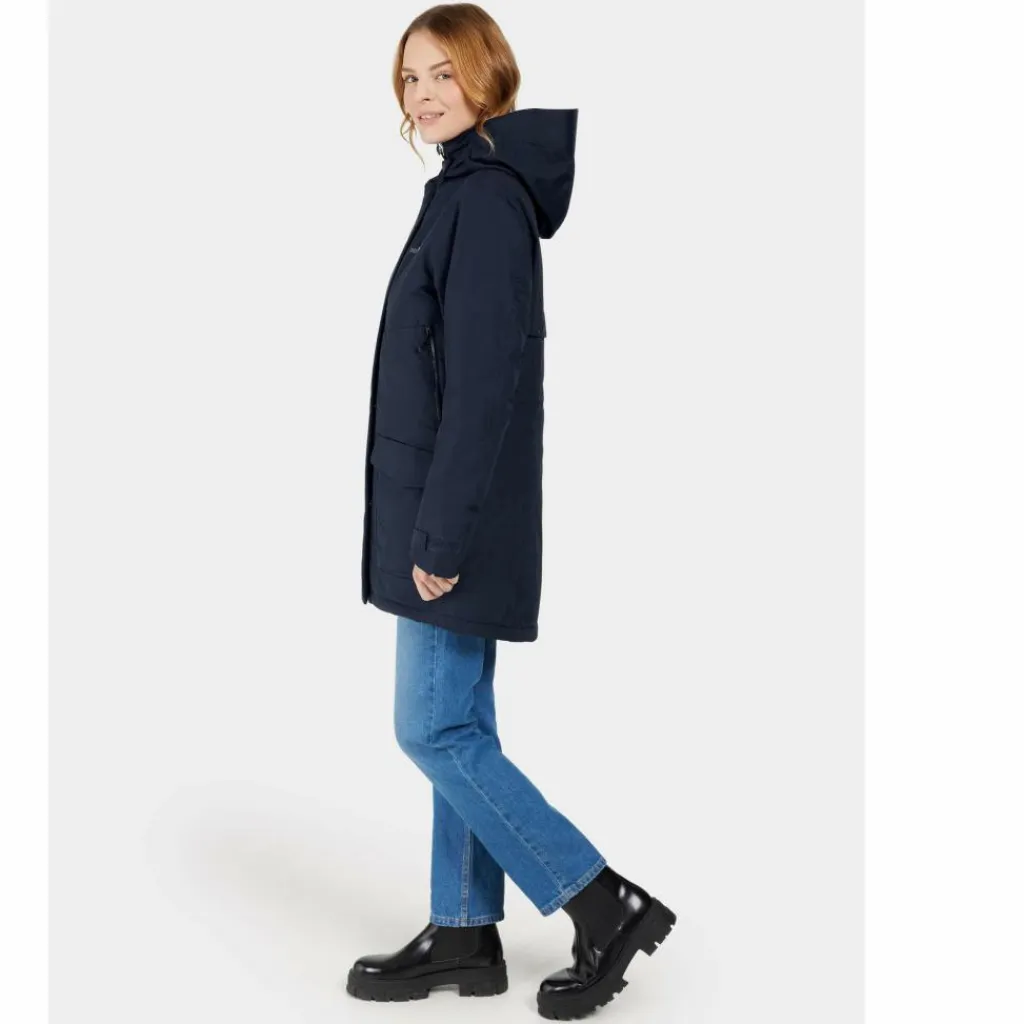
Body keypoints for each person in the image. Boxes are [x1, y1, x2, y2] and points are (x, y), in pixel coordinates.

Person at [350, 5, 676, 1018]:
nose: (423, 95)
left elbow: (484, 385)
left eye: (443, 73)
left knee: (433, 728)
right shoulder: (464, 190)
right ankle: (461, 929)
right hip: (440, 512)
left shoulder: (483, 203)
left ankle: (600, 900)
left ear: (488, 76)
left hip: (451, 522)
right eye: (410, 78)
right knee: (459, 721)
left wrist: (440, 535)